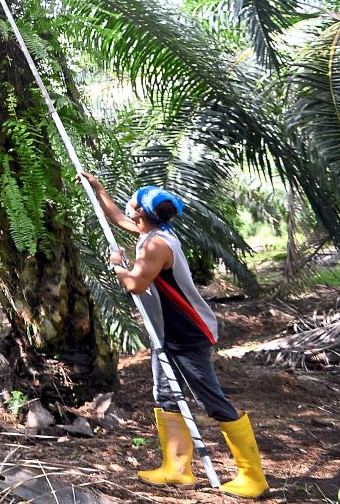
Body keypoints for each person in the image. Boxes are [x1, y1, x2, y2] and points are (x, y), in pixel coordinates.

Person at [79, 171, 269, 499]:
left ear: (142, 213)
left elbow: (135, 284)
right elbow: (118, 217)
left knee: (211, 399)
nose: (130, 207)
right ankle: (177, 469)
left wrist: (116, 266)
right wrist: (98, 190)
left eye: (135, 204)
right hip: (166, 334)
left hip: (187, 333)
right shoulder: (152, 230)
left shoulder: (156, 244)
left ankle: (253, 476)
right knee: (166, 396)